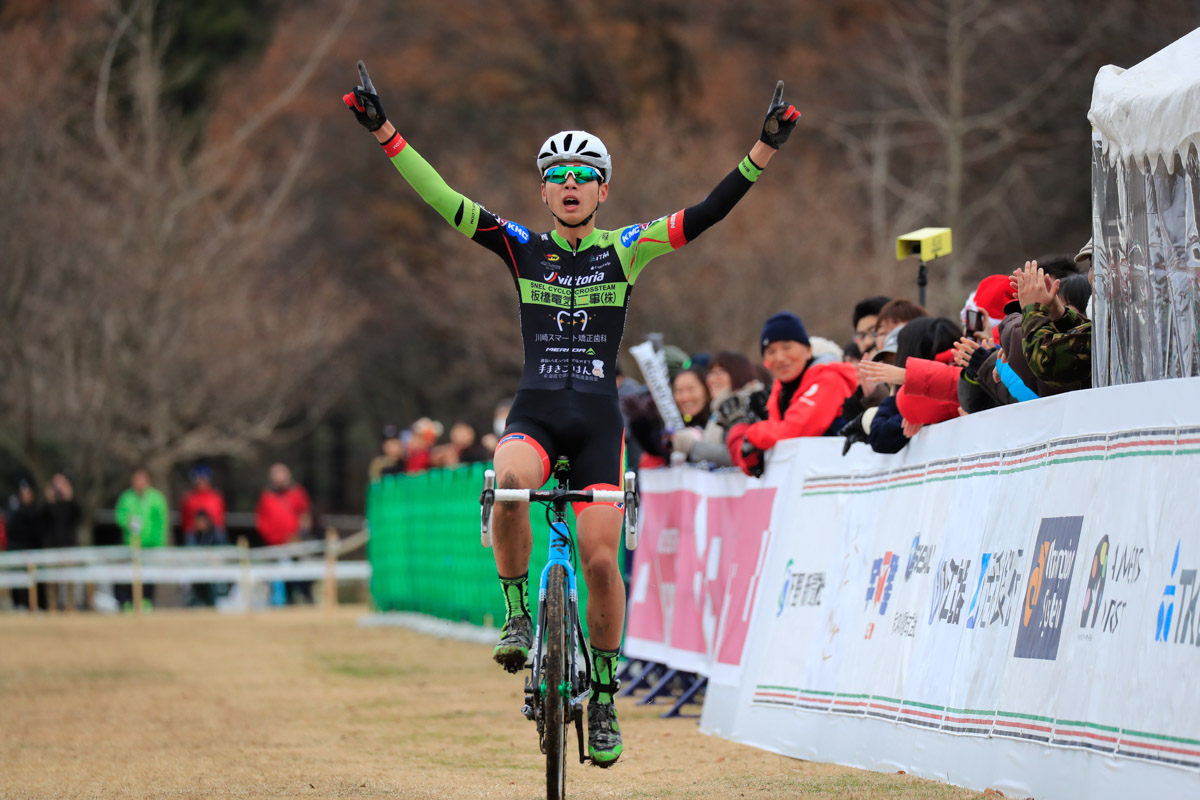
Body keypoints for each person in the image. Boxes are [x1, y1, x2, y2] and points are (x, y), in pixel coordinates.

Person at [345, 62, 801, 766]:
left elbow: (706, 212)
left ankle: (608, 698)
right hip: (536, 410)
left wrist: (762, 150)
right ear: (543, 190)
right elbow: (444, 200)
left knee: (601, 564)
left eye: (582, 176)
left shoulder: (627, 248)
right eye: (556, 175)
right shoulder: (520, 247)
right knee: (506, 483)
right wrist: (385, 131)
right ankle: (518, 610)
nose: (569, 185)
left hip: (597, 423)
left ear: (602, 190)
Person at [726, 312, 858, 477]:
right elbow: (772, 443)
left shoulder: (829, 379)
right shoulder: (779, 390)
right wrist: (751, 455)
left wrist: (752, 435)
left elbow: (794, 431)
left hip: (840, 479)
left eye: (787, 347)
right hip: (804, 483)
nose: (780, 358)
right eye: (771, 351)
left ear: (808, 350)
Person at [254, 463, 314, 604]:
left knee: (299, 574)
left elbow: (305, 516)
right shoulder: (266, 495)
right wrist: (269, 536)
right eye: (276, 474)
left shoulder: (297, 492)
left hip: (293, 542)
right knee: (275, 577)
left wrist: (300, 535)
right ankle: (282, 601)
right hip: (273, 544)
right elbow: (261, 519)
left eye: (281, 474)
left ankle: (307, 598)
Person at [114, 468, 169, 611]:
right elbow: (119, 515)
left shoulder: (156, 498)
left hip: (151, 544)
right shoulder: (126, 497)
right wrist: (127, 522)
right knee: (129, 575)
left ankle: (146, 602)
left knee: (149, 576)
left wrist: (160, 542)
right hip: (131, 543)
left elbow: (162, 521)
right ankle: (128, 603)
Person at [43, 474, 82, 610]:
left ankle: (70, 605)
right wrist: (49, 500)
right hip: (52, 546)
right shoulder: (48, 505)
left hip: (69, 545)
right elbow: (41, 520)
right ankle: (52, 606)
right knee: (51, 580)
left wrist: (69, 497)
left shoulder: (70, 504)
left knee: (70, 578)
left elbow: (79, 515)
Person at [6, 479, 44, 610]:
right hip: (17, 549)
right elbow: (11, 529)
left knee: (34, 579)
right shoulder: (14, 511)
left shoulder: (36, 511)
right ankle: (18, 604)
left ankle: (34, 604)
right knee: (17, 579)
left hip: (32, 550)